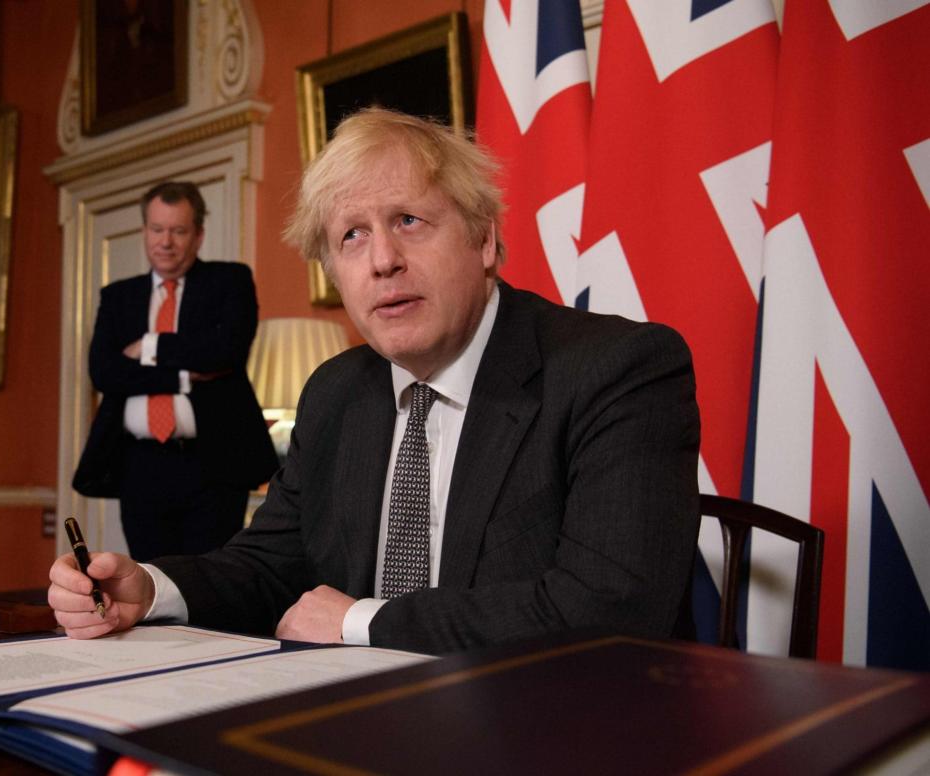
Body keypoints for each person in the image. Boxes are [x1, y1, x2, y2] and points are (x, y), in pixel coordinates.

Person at [50, 109, 701, 655]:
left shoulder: (619, 368)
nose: (383, 260)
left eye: (409, 221)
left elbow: (615, 609)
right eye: (352, 236)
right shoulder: (338, 390)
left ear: (483, 240)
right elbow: (270, 563)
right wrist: (152, 587)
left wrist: (362, 622)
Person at [71, 181, 278, 560]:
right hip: (139, 468)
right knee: (150, 583)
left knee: (208, 584)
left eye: (178, 231)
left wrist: (149, 346)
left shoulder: (229, 281)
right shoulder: (118, 297)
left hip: (212, 466)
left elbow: (224, 352)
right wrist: (183, 376)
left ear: (198, 235)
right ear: (144, 231)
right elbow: (105, 372)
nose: (165, 242)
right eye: (157, 229)